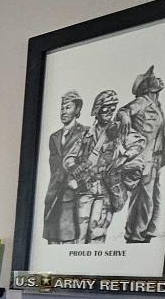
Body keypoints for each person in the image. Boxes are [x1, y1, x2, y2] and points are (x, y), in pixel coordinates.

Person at [117, 65, 165, 243]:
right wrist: (124, 116)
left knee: (154, 197)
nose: (158, 79)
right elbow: (123, 111)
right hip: (143, 160)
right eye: (153, 77)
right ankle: (134, 236)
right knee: (142, 199)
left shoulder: (156, 104)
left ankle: (147, 232)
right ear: (147, 86)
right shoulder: (142, 101)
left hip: (156, 159)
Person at [42, 91, 91, 242]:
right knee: (52, 237)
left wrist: (77, 183)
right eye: (62, 108)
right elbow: (54, 166)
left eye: (68, 107)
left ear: (77, 110)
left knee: (69, 236)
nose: (63, 111)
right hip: (54, 192)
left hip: (73, 192)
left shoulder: (86, 133)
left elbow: (88, 162)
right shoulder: (54, 137)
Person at [79, 91, 124, 242]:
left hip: (106, 188)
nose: (109, 111)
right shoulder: (86, 134)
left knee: (97, 232)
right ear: (97, 109)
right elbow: (75, 157)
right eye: (106, 107)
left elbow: (137, 144)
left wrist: (120, 161)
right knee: (79, 232)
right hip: (86, 186)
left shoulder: (118, 131)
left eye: (113, 108)